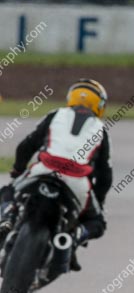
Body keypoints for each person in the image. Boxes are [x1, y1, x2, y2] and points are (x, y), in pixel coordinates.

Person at [0, 79, 112, 271]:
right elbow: (105, 176)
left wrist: (18, 171)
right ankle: (74, 237)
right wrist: (97, 203)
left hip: (43, 169)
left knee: (7, 191)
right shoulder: (100, 130)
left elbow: (26, 146)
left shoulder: (56, 115)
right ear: (99, 105)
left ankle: (7, 217)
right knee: (98, 223)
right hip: (77, 182)